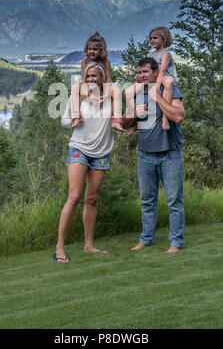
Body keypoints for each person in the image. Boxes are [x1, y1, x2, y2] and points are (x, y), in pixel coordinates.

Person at [53, 62, 114, 263]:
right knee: (74, 195)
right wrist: (73, 119)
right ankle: (59, 247)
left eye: (94, 76)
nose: (90, 80)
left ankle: (89, 245)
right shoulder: (77, 96)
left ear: (102, 77)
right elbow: (63, 120)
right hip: (79, 148)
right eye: (88, 77)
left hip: (101, 152)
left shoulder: (110, 96)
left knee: (92, 199)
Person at [123, 57, 185, 253]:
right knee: (147, 201)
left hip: (170, 153)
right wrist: (134, 114)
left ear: (155, 73)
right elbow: (126, 125)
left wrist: (157, 97)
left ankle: (175, 242)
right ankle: (146, 239)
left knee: (174, 201)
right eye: (139, 72)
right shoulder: (136, 93)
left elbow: (179, 116)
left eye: (145, 72)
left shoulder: (169, 89)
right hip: (145, 154)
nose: (141, 75)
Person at [125, 26, 178, 136]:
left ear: (163, 39)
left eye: (155, 38)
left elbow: (162, 71)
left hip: (165, 76)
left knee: (169, 83)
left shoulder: (166, 54)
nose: (152, 40)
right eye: (150, 38)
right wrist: (139, 78)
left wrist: (156, 88)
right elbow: (146, 70)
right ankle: (135, 123)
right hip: (153, 77)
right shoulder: (150, 55)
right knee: (128, 92)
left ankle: (165, 118)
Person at [71, 32, 123, 131]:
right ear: (86, 49)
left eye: (95, 49)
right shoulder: (84, 62)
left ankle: (116, 120)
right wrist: (90, 94)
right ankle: (77, 116)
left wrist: (106, 94)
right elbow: (84, 80)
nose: (92, 51)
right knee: (74, 88)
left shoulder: (106, 62)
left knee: (116, 91)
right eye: (90, 49)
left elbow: (107, 79)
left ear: (101, 50)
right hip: (88, 84)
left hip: (105, 84)